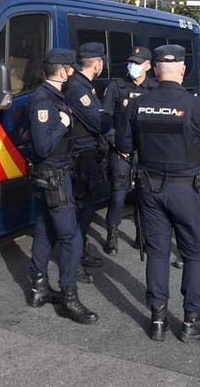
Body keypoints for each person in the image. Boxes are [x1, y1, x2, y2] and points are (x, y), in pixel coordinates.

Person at [117, 44, 200, 343]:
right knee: (195, 253)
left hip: (149, 187)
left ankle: (157, 320)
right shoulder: (197, 106)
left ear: (154, 70)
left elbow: (124, 146)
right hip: (185, 190)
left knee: (157, 252)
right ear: (182, 69)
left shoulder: (137, 104)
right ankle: (192, 322)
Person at [25, 48, 98, 324]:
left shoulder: (52, 96)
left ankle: (38, 288)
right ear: (62, 70)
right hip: (54, 176)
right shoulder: (44, 101)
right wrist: (63, 124)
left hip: (51, 175)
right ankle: (69, 297)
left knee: (45, 230)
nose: (72, 73)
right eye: (70, 69)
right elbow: (43, 146)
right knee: (71, 237)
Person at [101, 46, 158, 255]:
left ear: (148, 66)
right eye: (131, 62)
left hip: (145, 151)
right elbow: (105, 120)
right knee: (118, 193)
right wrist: (118, 144)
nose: (133, 66)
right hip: (121, 150)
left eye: (138, 63)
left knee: (144, 193)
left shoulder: (155, 88)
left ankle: (141, 233)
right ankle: (112, 233)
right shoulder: (117, 87)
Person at [64, 42, 112, 283]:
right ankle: (74, 263)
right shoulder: (78, 89)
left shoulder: (83, 86)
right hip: (81, 158)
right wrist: (106, 116)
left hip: (88, 155)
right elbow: (99, 121)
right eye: (101, 61)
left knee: (87, 207)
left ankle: (80, 252)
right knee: (80, 211)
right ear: (96, 63)